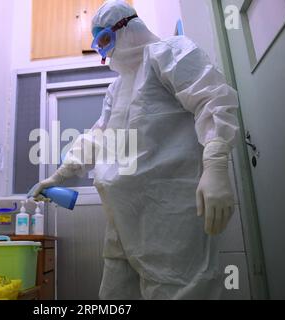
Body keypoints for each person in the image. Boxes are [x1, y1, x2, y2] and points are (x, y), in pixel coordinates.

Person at [31, 0, 239, 300]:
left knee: (179, 290)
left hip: (167, 215)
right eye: (99, 44)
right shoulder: (117, 88)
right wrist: (58, 176)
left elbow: (213, 99)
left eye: (105, 40)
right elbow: (98, 137)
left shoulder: (170, 52)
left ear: (127, 27)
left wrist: (216, 165)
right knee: (114, 295)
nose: (105, 52)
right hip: (122, 216)